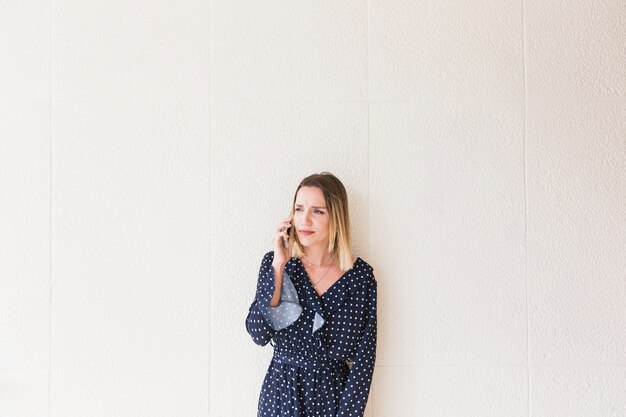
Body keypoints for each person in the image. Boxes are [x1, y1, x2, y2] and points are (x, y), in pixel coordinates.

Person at [246, 172, 377, 417]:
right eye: (298, 209)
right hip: (281, 395)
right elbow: (258, 333)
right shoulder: (280, 267)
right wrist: (278, 265)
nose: (304, 220)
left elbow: (364, 361)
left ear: (336, 218)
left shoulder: (360, 279)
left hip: (333, 398)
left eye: (317, 211)